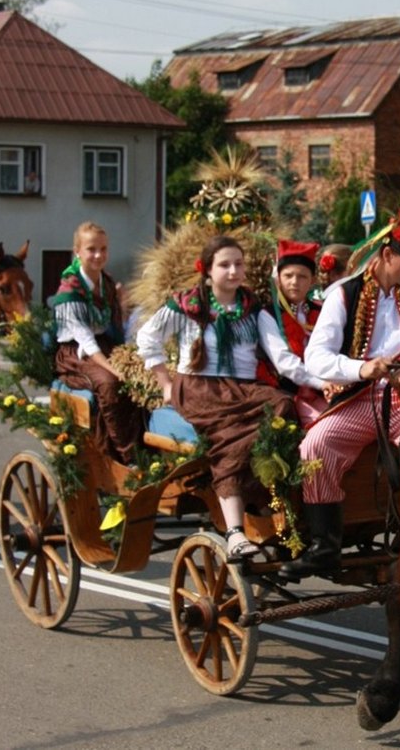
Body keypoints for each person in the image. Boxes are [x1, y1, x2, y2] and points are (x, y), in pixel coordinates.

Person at [280, 211, 400, 579]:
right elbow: (317, 357)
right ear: (387, 255)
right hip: (361, 397)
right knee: (316, 446)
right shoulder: (344, 294)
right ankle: (325, 545)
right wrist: (362, 369)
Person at [136, 235, 295, 560]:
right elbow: (147, 338)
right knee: (229, 436)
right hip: (199, 388)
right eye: (225, 265)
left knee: (283, 404)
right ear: (207, 269)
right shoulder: (187, 306)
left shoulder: (252, 308)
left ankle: (266, 500)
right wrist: (165, 382)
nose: (234, 271)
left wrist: (327, 379)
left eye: (238, 264)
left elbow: (282, 358)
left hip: (243, 389)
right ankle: (235, 532)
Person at [52, 222, 143, 464]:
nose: (98, 255)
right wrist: (114, 369)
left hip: (105, 344)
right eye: (91, 249)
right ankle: (125, 454)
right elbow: (86, 341)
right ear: (77, 251)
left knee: (141, 377)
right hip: (75, 352)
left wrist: (130, 358)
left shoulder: (107, 283)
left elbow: (117, 325)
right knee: (109, 382)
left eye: (103, 249)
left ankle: (145, 443)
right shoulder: (70, 290)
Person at [257, 240, 329, 428]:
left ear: (313, 280)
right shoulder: (268, 315)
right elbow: (284, 362)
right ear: (278, 279)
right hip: (289, 391)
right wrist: (321, 383)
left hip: (326, 388)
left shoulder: (323, 311)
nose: (294, 282)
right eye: (288, 276)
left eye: (302, 276)